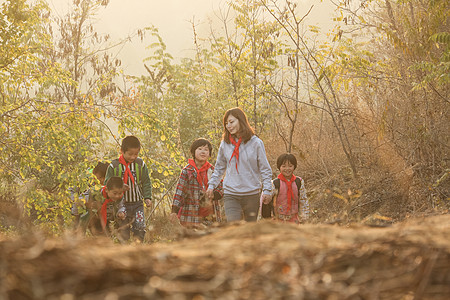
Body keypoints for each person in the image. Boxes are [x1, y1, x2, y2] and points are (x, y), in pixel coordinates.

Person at [206, 107, 272, 222]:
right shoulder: (225, 144)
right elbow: (219, 168)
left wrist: (267, 190)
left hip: (251, 194)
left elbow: (265, 169)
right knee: (234, 227)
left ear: (241, 121)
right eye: (226, 123)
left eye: (231, 122)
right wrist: (211, 185)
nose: (228, 126)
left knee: (249, 231)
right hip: (231, 193)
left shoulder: (256, 143)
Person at [104, 136, 153, 242]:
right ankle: (124, 249)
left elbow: (146, 182)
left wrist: (147, 197)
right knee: (123, 228)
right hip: (121, 205)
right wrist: (119, 188)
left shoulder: (140, 164)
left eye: (136, 154)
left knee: (140, 226)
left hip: (138, 204)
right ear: (122, 151)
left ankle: (137, 247)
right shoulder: (114, 166)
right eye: (130, 154)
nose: (133, 157)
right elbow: (107, 184)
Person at [170, 138, 223, 227]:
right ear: (193, 152)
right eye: (200, 149)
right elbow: (180, 192)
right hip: (190, 214)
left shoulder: (212, 170)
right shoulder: (187, 171)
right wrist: (174, 211)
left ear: (209, 154)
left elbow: (221, 187)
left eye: (206, 150)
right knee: (192, 238)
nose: (203, 152)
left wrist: (215, 194)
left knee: (210, 238)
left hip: (210, 214)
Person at [262, 153, 310, 223]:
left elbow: (303, 200)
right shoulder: (274, 183)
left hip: (295, 219)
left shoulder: (299, 182)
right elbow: (266, 201)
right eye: (284, 166)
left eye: (290, 166)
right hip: (277, 220)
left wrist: (304, 217)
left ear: (294, 166)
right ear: (279, 167)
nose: (287, 169)